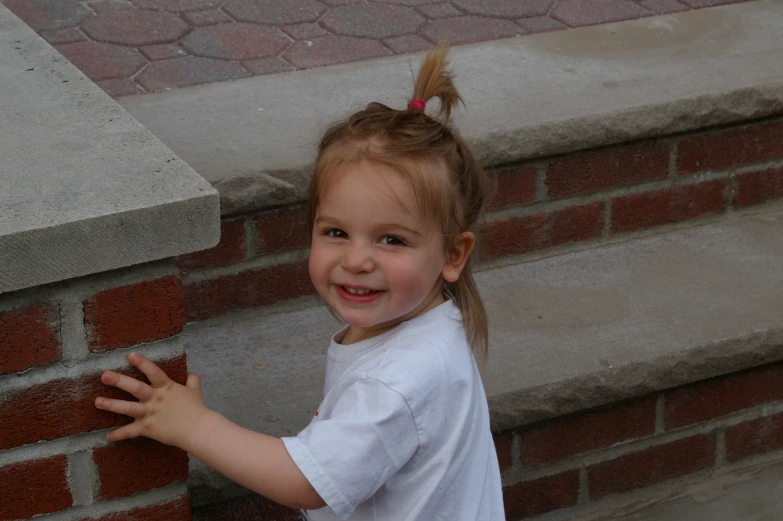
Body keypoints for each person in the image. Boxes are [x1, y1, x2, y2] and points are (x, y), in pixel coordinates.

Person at [95, 44, 505, 521]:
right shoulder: (429, 322)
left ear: (453, 255)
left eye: (391, 239)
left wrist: (195, 426)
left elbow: (304, 484)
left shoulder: (396, 383)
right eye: (336, 232)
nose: (356, 260)